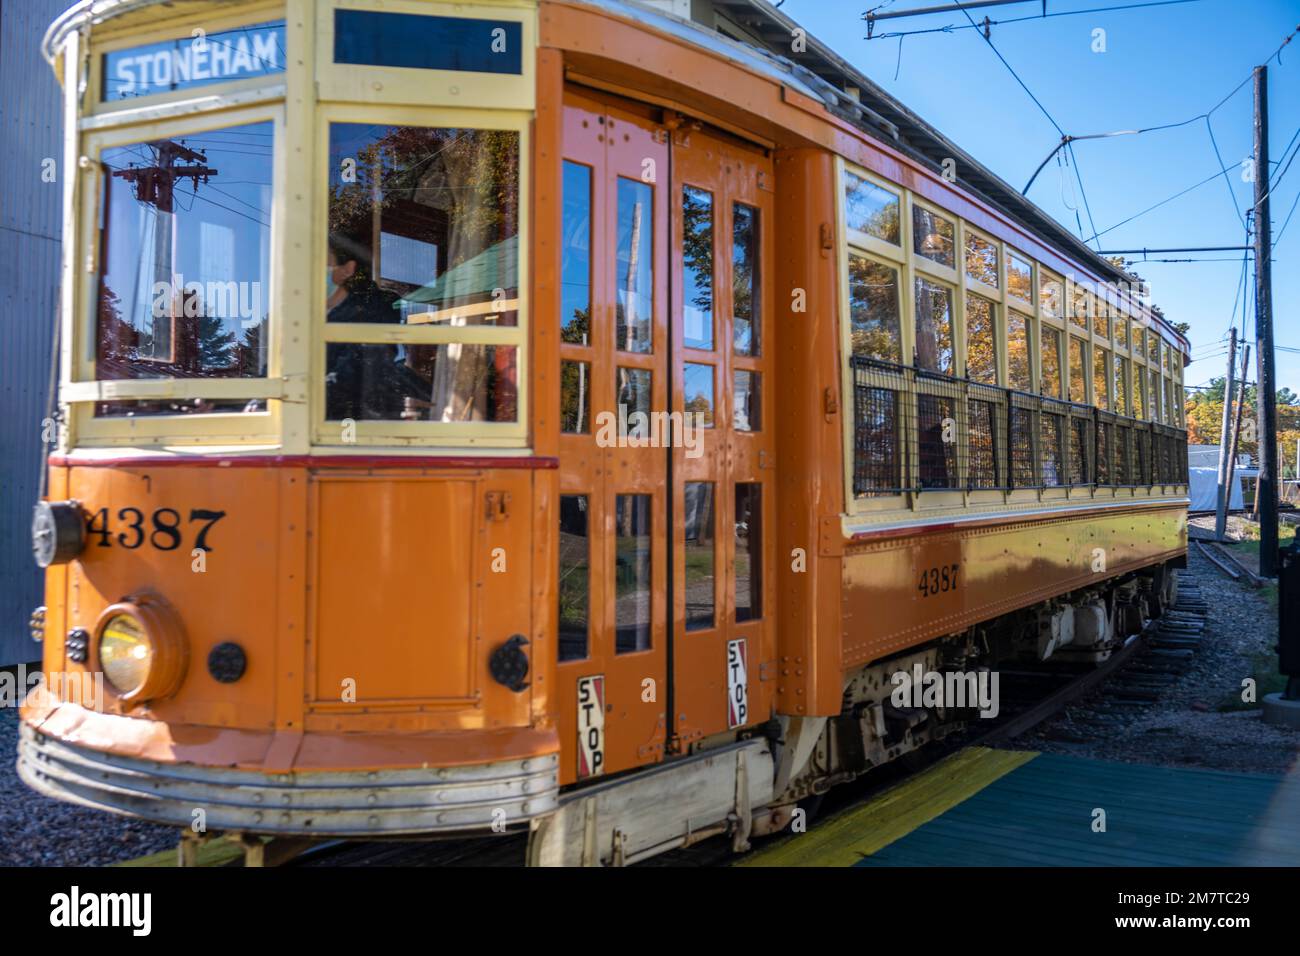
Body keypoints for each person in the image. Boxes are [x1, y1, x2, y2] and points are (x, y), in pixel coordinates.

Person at [323, 231, 431, 421]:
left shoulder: (374, 309)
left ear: (347, 269)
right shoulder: (304, 318)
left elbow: (370, 367)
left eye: (321, 262)